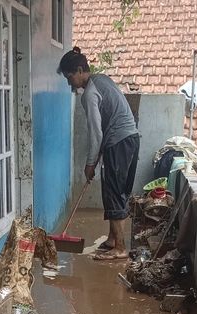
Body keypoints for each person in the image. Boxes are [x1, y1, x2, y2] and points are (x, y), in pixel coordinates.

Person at [57, 48, 140, 261]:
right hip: (130, 138)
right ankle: (113, 240)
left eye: (69, 77)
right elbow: (109, 116)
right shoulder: (102, 79)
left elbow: (96, 131)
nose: (69, 83)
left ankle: (120, 247)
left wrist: (90, 163)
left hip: (118, 142)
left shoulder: (89, 95)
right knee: (118, 189)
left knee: (113, 192)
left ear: (79, 70)